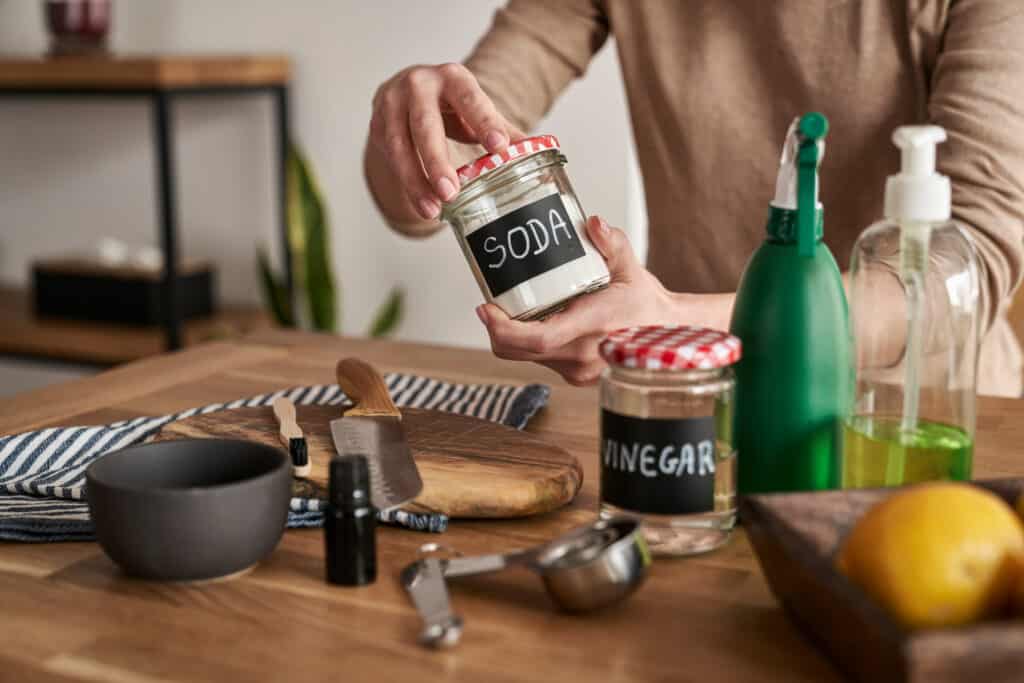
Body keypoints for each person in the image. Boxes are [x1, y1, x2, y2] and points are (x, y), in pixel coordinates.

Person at [364, 1, 1024, 396]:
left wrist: (679, 322)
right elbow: (461, 150)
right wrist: (412, 135)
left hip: (919, 431)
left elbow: (970, 261)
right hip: (692, 409)